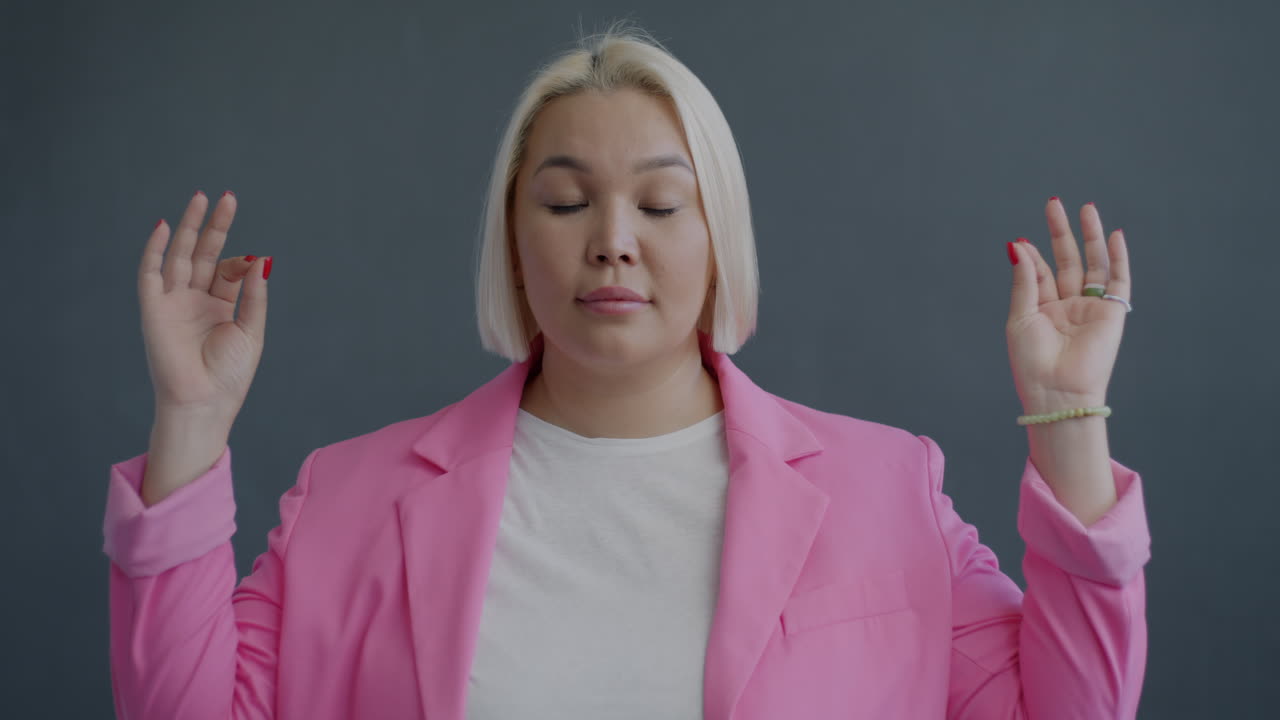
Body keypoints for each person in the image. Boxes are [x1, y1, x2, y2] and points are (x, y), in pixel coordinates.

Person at [103, 22, 1150, 720]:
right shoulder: (347, 497)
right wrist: (189, 421)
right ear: (513, 241)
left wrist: (1068, 421)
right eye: (565, 203)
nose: (611, 242)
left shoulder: (887, 490)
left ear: (717, 235)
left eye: (657, 205)